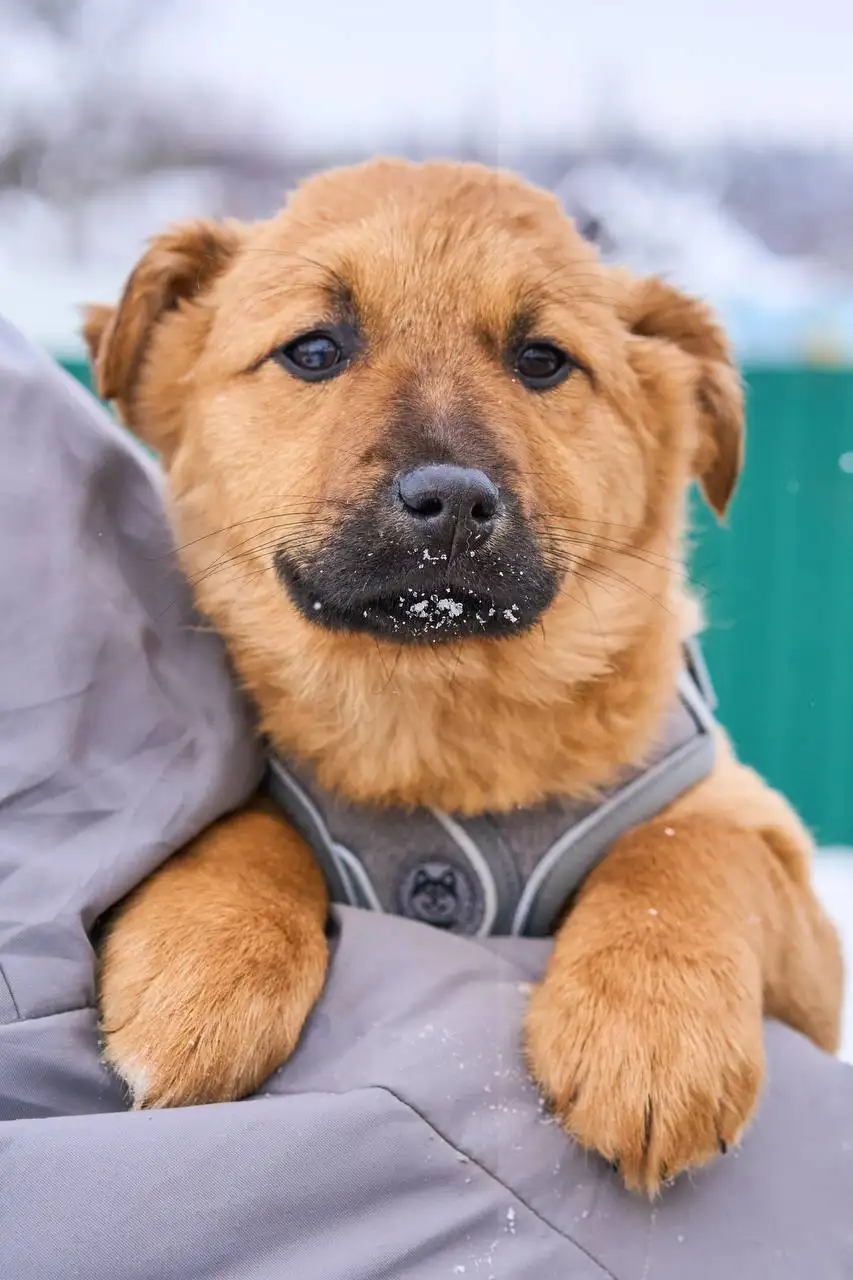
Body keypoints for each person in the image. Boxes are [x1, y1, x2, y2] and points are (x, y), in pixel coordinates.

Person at [1, 315, 851, 1279]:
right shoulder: (173, 735)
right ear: (162, 364)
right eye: (316, 352)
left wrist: (682, 901)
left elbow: (814, 990)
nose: (446, 480)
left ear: (677, 410)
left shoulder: (660, 773)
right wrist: (248, 865)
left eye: (540, 361)